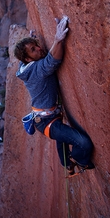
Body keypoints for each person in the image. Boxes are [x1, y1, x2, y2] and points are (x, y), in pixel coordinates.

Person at [14, 16, 94, 176]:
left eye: (36, 45)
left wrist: (31, 40)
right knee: (84, 144)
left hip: (47, 116)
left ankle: (66, 164)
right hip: (46, 122)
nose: (39, 48)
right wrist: (58, 39)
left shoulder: (24, 66)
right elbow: (52, 60)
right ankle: (78, 161)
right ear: (29, 59)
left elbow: (28, 58)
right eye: (33, 49)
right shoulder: (36, 70)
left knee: (62, 138)